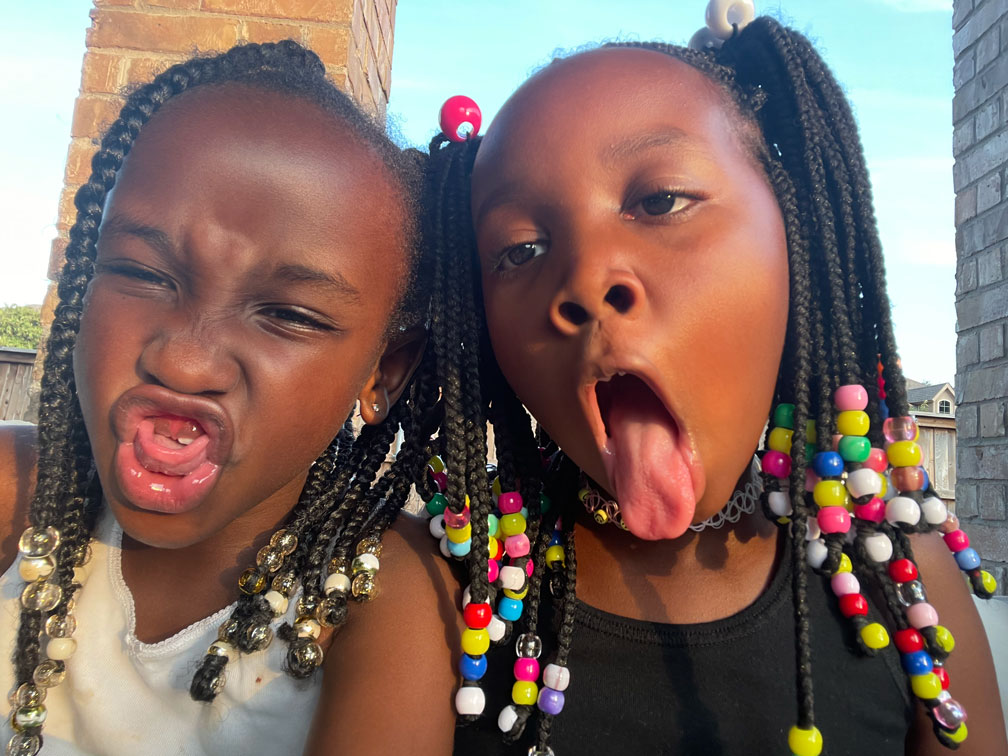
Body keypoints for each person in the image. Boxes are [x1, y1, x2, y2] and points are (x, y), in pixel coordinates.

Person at [319, 4, 1008, 756]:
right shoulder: (435, 590)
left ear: (795, 233)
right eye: (519, 250)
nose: (586, 279)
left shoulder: (907, 584)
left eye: (660, 202)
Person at [0, 40, 439, 756]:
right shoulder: (17, 490)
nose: (184, 359)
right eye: (142, 273)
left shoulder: (380, 597)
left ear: (382, 373)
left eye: (289, 315)